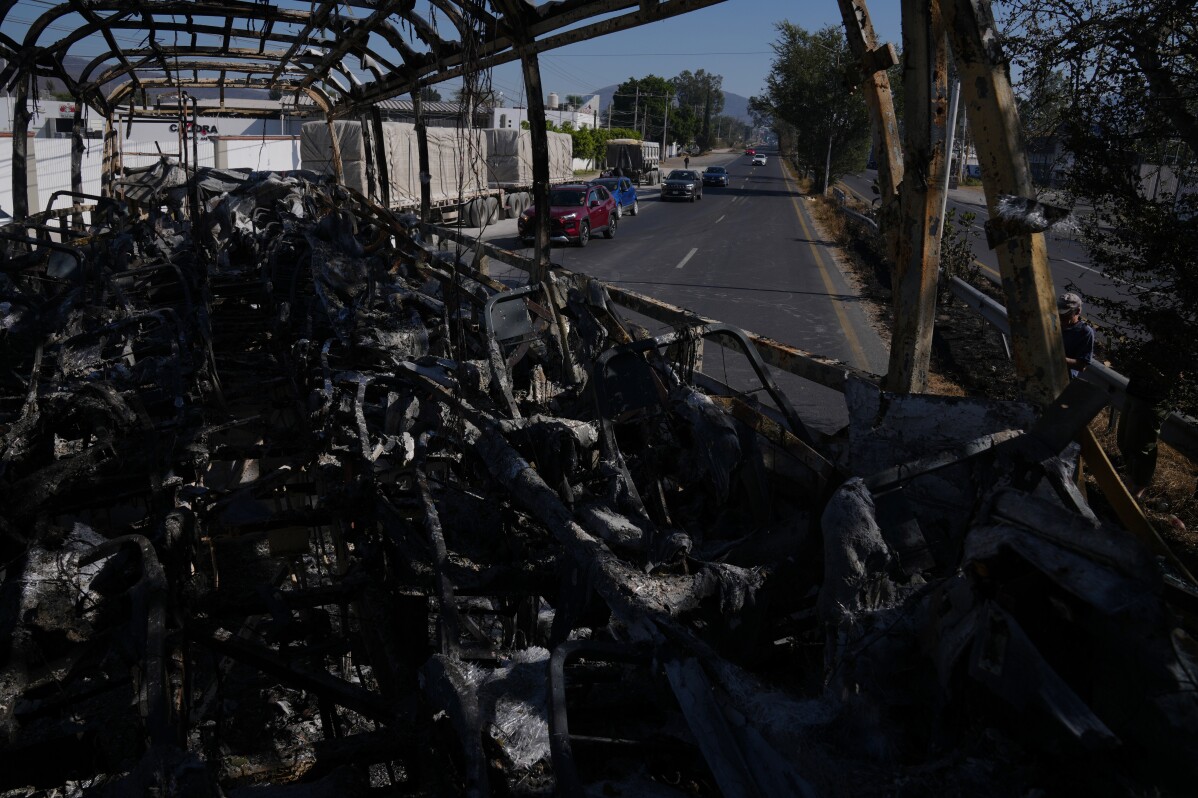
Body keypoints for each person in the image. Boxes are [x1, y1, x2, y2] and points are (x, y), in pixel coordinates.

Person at [1118, 339, 1175, 500]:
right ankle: (1130, 481)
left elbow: (1173, 380)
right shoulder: (1152, 345)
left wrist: (1153, 372)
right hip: (1134, 394)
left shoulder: (1177, 352)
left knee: (1142, 447)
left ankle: (1138, 489)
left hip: (1152, 401)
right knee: (1124, 442)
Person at [1057, 292, 1094, 378]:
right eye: (1059, 313)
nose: (1061, 317)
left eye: (1066, 314)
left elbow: (1082, 365)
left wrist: (1057, 359)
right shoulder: (1052, 322)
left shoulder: (1085, 332)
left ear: (1078, 311)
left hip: (1064, 378)